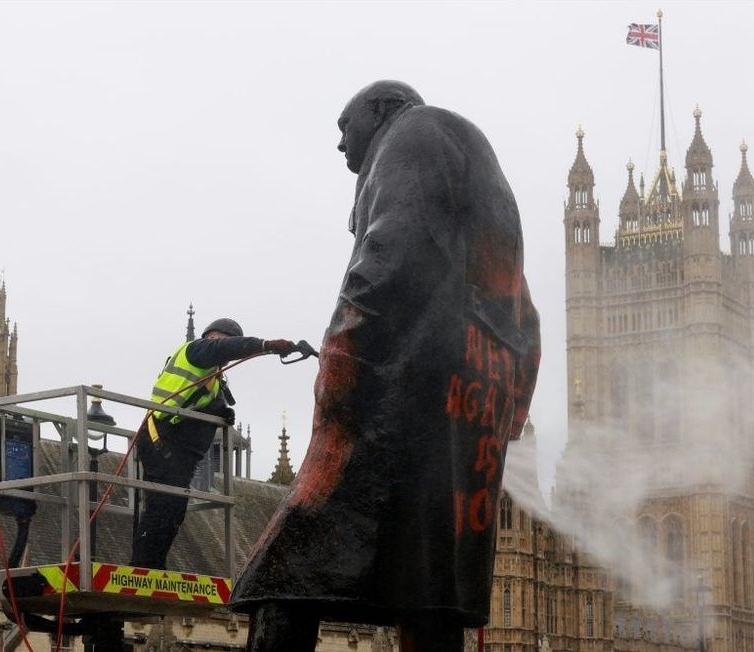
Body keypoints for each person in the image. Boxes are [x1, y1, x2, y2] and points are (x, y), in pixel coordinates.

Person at [230, 81, 541, 651]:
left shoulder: (412, 133)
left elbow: (394, 250)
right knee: (429, 595)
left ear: (380, 109)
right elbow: (523, 310)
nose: (340, 145)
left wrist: (343, 353)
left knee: (284, 571)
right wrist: (508, 411)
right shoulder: (485, 171)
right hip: (471, 407)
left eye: (344, 127)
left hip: (398, 394)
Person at [130, 318, 296, 569]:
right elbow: (224, 349)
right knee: (163, 506)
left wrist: (221, 413)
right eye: (223, 342)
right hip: (160, 440)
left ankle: (153, 565)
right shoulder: (196, 351)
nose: (225, 357)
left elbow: (204, 403)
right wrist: (266, 345)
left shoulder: (213, 378)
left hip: (177, 449)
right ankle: (143, 568)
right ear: (212, 336)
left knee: (174, 510)